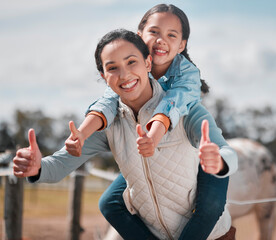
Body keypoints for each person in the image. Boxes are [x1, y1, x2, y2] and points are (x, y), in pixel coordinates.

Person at [13, 29, 237, 239]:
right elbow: (58, 166)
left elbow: (229, 154)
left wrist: (218, 161)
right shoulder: (108, 125)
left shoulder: (185, 109)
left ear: (148, 63)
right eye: (112, 68)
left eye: (132, 62)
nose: (125, 74)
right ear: (103, 76)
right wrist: (37, 168)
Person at [65, 4, 236, 239]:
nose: (160, 40)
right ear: (139, 35)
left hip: (192, 145)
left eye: (171, 35)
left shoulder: (186, 73)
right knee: (109, 203)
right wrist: (82, 133)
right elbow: (107, 102)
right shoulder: (128, 71)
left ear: (182, 45)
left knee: (211, 205)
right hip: (150, 152)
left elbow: (172, 105)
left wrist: (154, 135)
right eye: (154, 32)